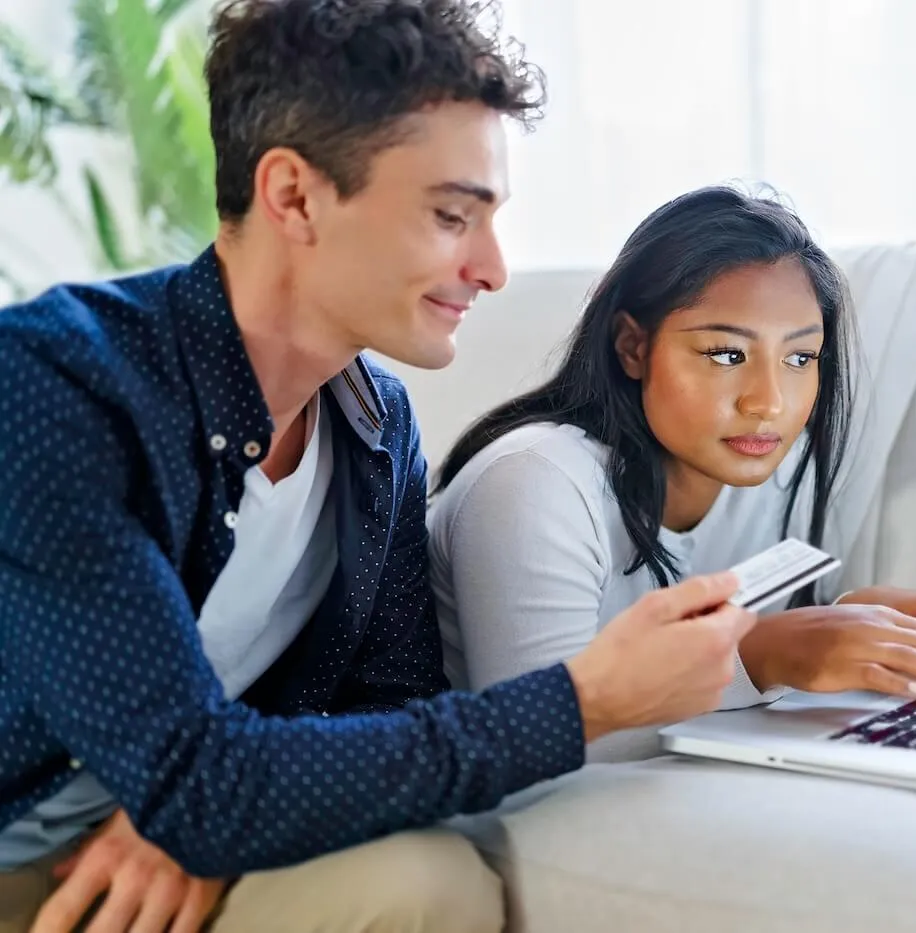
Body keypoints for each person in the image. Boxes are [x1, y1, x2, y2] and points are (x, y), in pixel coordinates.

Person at [0, 2, 757, 931]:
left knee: (427, 878)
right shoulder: (56, 387)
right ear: (294, 197)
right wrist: (585, 699)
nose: (491, 268)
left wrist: (215, 811)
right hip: (26, 855)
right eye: (451, 216)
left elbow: (389, 703)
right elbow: (205, 783)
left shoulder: (373, 425)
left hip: (167, 835)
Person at [428, 185, 916, 759]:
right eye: (726, 354)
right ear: (632, 347)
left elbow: (754, 630)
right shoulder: (532, 485)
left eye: (800, 357)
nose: (769, 401)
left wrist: (847, 616)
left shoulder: (764, 466)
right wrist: (762, 656)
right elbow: (533, 748)